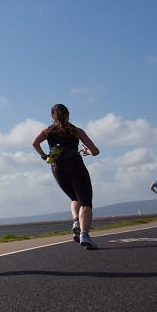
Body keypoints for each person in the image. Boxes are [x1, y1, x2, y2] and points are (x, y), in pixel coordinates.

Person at [31, 104, 101, 249]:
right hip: (76, 166)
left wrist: (44, 156)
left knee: (74, 198)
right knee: (86, 202)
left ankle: (76, 221)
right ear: (68, 114)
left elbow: (34, 143)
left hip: (57, 168)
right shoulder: (76, 131)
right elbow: (95, 151)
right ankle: (85, 235)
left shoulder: (47, 131)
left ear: (52, 116)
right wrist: (87, 152)